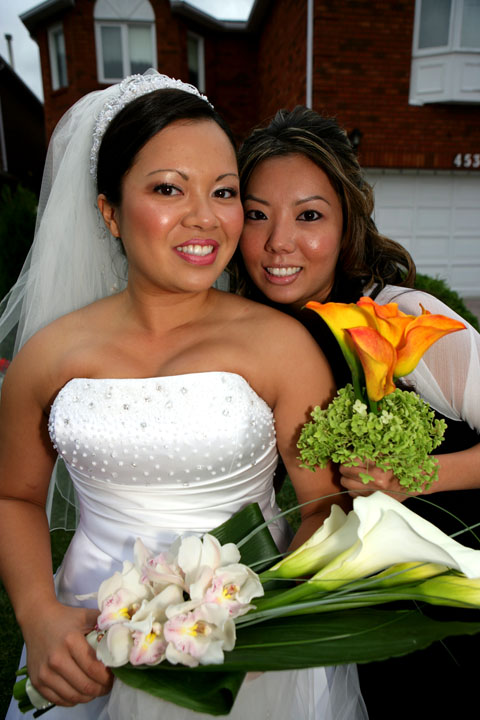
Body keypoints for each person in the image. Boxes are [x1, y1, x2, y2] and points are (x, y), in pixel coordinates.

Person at [0, 74, 366, 720]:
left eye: (223, 192)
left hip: (247, 645)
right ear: (109, 210)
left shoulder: (282, 347)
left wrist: (269, 612)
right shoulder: (50, 356)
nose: (204, 217)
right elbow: (15, 494)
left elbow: (323, 509)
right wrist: (37, 613)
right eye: (169, 188)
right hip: (90, 640)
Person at [233, 106, 480, 718]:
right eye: (257, 215)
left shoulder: (410, 320)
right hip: (339, 612)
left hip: (448, 612)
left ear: (348, 224)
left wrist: (419, 475)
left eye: (309, 215)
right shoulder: (245, 332)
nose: (277, 243)